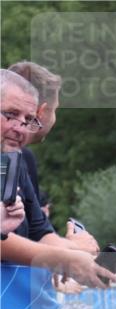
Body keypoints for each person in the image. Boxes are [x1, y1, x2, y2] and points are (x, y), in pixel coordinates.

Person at [1, 70, 97, 254]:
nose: (21, 128)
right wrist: (67, 258)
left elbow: (40, 231)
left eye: (29, 119)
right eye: (11, 114)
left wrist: (77, 251)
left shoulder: (14, 161)